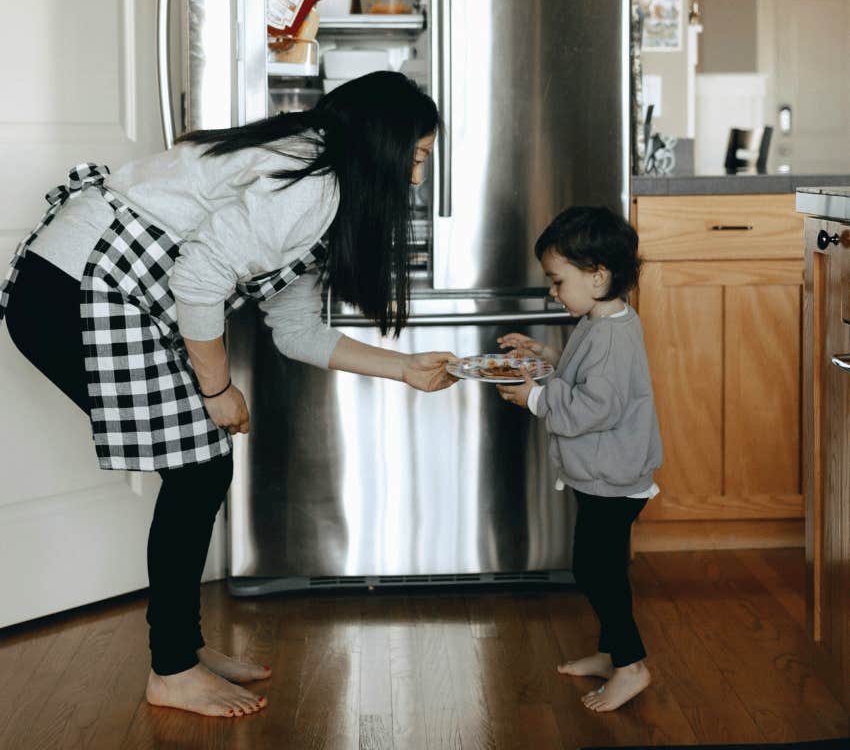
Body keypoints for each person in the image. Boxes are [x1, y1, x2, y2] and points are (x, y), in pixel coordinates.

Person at [1, 71, 457, 720]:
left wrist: (405, 368)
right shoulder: (312, 185)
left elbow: (297, 332)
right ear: (379, 145)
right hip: (75, 292)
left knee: (201, 468)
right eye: (415, 157)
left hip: (85, 287)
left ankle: (182, 650)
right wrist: (217, 390)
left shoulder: (316, 178)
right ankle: (172, 669)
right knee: (199, 469)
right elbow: (201, 277)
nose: (416, 179)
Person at [495, 205, 662, 714]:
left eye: (557, 281)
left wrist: (535, 398)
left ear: (598, 276)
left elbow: (595, 407)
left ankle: (631, 665)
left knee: (595, 572)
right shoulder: (603, 319)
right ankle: (613, 654)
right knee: (600, 568)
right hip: (603, 474)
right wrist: (543, 355)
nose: (552, 291)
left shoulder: (609, 335)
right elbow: (584, 375)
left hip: (613, 478)